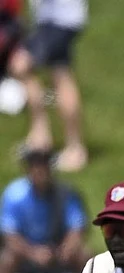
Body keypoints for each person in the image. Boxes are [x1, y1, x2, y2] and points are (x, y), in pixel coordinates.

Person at [0, 148, 89, 273]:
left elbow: (77, 227)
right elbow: (9, 235)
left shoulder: (65, 194)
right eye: (35, 167)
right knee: (6, 259)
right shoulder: (14, 194)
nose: (40, 172)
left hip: (57, 249)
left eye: (44, 167)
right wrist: (33, 252)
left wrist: (67, 247)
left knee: (86, 258)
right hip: (25, 251)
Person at [9, 0, 88, 172]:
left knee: (22, 66)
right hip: (56, 20)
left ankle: (72, 148)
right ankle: (42, 138)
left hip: (59, 20)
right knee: (59, 75)